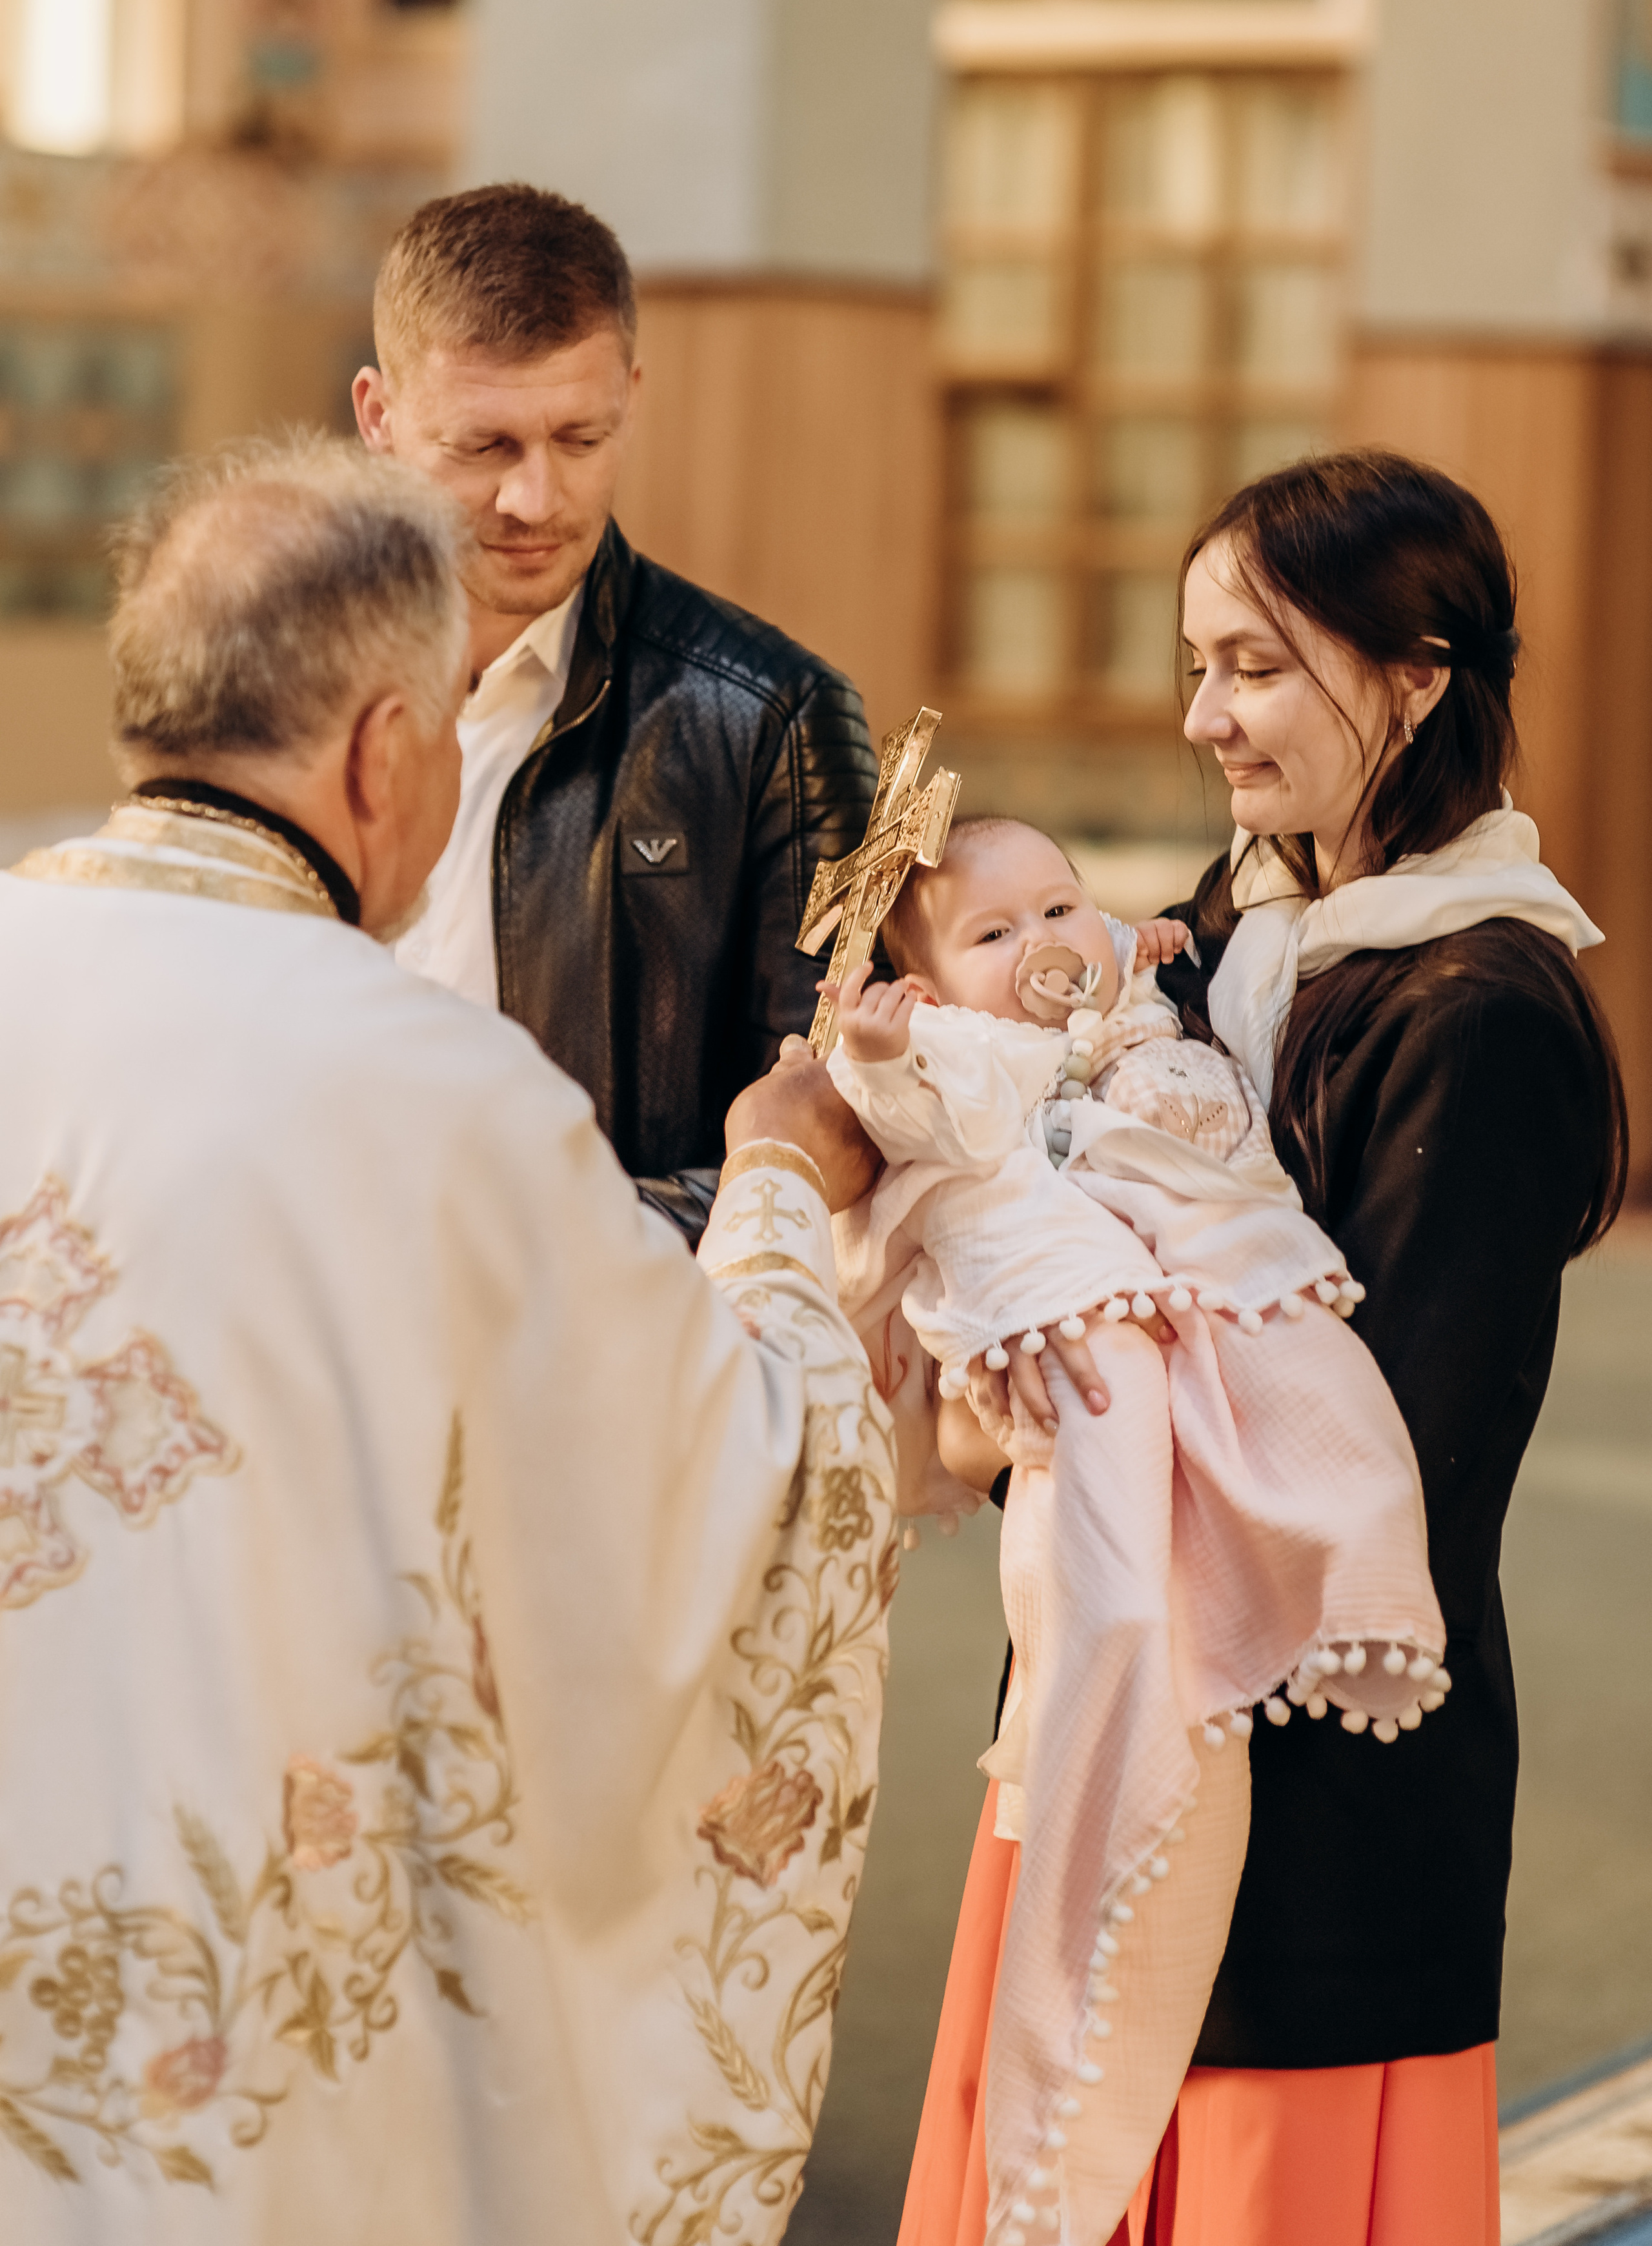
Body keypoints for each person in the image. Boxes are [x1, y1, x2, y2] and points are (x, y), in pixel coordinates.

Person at [0, 435, 894, 2246]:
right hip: (231, 2074)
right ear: (385, 752)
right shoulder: (439, 1098)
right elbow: (728, 1477)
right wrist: (784, 1192)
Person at [900, 450, 1626, 2246]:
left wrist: (1072, 1409)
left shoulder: (1479, 1010)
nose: (1201, 715)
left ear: (1416, 676)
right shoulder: (1235, 935)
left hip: (1312, 1796)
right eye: (1195, 661)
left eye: (1256, 665)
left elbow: (1400, 1459)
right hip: (1101, 1716)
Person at [825, 818, 1445, 2243]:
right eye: (993, 934)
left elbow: (1135, 1020)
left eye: (1060, 904)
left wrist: (1132, 961)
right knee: (1098, 1583)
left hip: (1203, 1288)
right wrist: (874, 1051)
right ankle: (1127, 1659)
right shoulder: (964, 1061)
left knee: (1304, 1407)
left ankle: (1318, 1561)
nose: (1043, 941)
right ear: (924, 991)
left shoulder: (1132, 998)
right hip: (1077, 1323)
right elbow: (928, 1134)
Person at [352, 182, 880, 1239]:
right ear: (379, 417)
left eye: (579, 439)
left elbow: (845, 1130)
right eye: (484, 447)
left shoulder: (774, 720)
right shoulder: (288, 688)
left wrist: (524, 1256)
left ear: (631, 396)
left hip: (615, 1352)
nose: (535, 500)